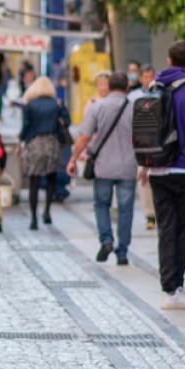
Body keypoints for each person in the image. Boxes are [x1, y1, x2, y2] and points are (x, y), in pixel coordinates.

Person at [67, 72, 136, 265]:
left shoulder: (97, 107)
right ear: (127, 88)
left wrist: (73, 159)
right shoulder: (135, 109)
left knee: (101, 204)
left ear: (109, 86)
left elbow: (83, 137)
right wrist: (146, 166)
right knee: (125, 209)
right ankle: (122, 252)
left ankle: (106, 239)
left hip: (103, 166)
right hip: (128, 167)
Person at [139, 42, 185, 309]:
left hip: (157, 168)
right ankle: (176, 289)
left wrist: (147, 166)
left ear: (169, 62)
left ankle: (167, 290)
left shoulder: (153, 88)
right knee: (184, 230)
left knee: (166, 228)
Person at [17, 76, 65, 230]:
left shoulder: (30, 105)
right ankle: (47, 212)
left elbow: (25, 127)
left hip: (35, 143)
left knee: (34, 182)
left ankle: (33, 219)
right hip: (52, 142)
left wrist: (20, 142)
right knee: (51, 178)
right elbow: (66, 122)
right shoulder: (55, 104)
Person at [128, 64, 158, 229]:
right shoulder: (133, 97)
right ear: (140, 78)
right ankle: (149, 214)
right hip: (141, 142)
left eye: (151, 76)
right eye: (145, 77)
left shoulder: (161, 93)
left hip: (158, 142)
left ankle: (159, 211)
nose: (149, 80)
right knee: (143, 180)